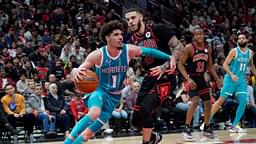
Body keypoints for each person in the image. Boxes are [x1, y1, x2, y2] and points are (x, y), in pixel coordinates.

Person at [64, 20, 173, 144]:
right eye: (116, 35)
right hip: (99, 92)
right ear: (107, 38)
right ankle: (67, 142)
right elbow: (80, 69)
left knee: (88, 134)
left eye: (121, 34)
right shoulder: (98, 55)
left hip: (114, 97)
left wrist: (169, 57)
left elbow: (150, 51)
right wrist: (74, 70)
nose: (120, 37)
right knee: (94, 112)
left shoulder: (128, 50)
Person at [125, 8, 184, 144]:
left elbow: (179, 47)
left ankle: (146, 142)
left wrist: (165, 66)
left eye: (133, 18)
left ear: (141, 17)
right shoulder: (134, 38)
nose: (130, 22)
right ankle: (153, 137)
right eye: (128, 20)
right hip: (149, 77)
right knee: (135, 120)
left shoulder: (157, 29)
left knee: (146, 108)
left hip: (166, 77)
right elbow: (145, 57)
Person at [178, 27, 221, 141]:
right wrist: (188, 79)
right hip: (190, 77)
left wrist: (216, 78)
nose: (198, 36)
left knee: (208, 103)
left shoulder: (208, 48)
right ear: (193, 36)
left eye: (200, 34)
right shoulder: (189, 48)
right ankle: (187, 128)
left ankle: (206, 127)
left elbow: (210, 66)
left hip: (201, 78)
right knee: (195, 101)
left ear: (203, 35)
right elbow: (180, 65)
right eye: (196, 34)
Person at [210, 33, 256, 133]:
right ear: (237, 41)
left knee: (243, 101)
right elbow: (225, 64)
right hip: (230, 79)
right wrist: (231, 74)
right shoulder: (234, 51)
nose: (241, 39)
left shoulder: (250, 53)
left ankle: (234, 125)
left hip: (241, 80)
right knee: (221, 100)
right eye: (239, 38)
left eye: (243, 38)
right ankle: (206, 122)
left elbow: (251, 65)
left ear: (246, 40)